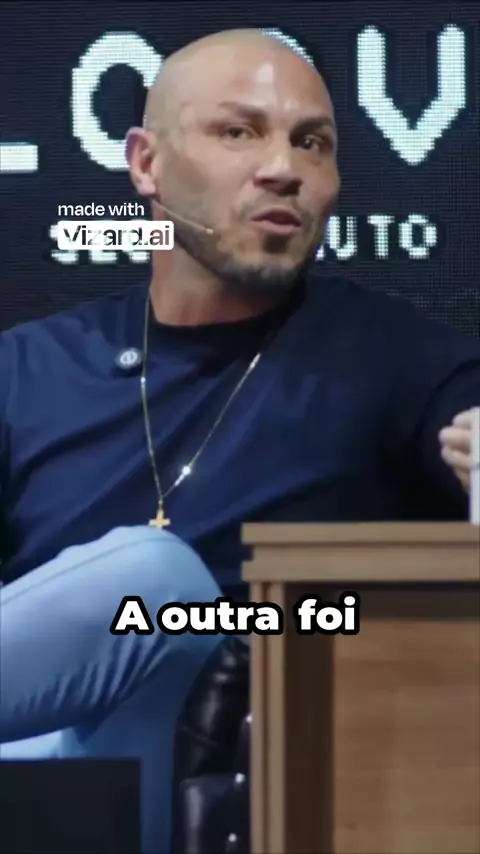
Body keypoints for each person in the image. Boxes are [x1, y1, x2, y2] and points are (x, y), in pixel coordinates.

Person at [1, 27, 479, 854]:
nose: (283, 168)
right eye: (238, 131)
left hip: (224, 774)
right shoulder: (27, 369)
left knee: (158, 587)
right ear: (145, 163)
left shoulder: (405, 361)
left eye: (312, 142)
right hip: (27, 771)